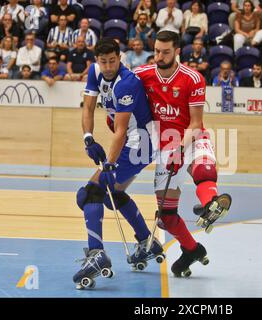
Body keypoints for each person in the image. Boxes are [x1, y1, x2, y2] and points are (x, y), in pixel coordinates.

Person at [135, 31, 232, 277]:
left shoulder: (193, 78)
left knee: (204, 169)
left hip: (191, 136)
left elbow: (196, 123)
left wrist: (180, 148)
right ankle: (192, 250)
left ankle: (211, 203)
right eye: (157, 50)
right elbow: (120, 85)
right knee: (166, 216)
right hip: (164, 146)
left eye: (165, 51)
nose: (159, 56)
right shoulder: (143, 74)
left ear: (177, 51)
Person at [73, 38, 164, 289]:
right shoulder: (94, 72)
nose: (108, 66)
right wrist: (88, 138)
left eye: (113, 60)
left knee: (90, 193)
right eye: (103, 61)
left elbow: (121, 131)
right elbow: (88, 109)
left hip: (138, 145)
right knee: (111, 193)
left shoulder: (127, 84)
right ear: (96, 61)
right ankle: (147, 242)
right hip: (130, 142)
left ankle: (96, 254)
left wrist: (110, 164)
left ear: (119, 57)